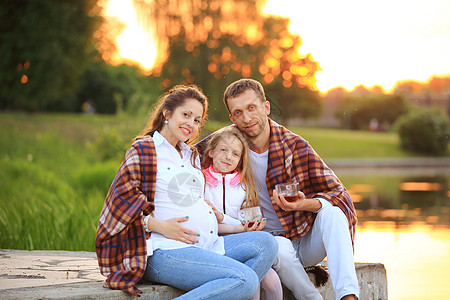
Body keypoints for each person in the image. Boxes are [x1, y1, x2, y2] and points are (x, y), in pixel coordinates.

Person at [95, 85, 278, 298]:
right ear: (167, 113)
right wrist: (159, 225)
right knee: (245, 279)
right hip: (166, 250)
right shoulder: (145, 150)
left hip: (208, 245)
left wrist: (221, 218)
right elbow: (118, 205)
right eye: (186, 115)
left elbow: (223, 152)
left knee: (266, 243)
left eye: (197, 120)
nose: (191, 124)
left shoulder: (190, 154)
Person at [213, 78, 359, 300]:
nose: (247, 118)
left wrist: (303, 204)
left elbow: (340, 195)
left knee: (333, 213)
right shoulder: (226, 146)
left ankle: (348, 297)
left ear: (266, 107)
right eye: (239, 112)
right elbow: (183, 153)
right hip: (262, 243)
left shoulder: (294, 145)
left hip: (303, 239)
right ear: (232, 118)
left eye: (252, 108)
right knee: (275, 245)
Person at [201, 126, 283, 300]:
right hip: (212, 246)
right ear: (211, 152)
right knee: (252, 285)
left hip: (242, 243)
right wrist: (234, 225)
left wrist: (250, 224)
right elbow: (203, 224)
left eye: (235, 154)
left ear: (241, 159)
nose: (228, 156)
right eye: (223, 150)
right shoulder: (200, 181)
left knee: (273, 282)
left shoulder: (244, 185)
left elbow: (247, 224)